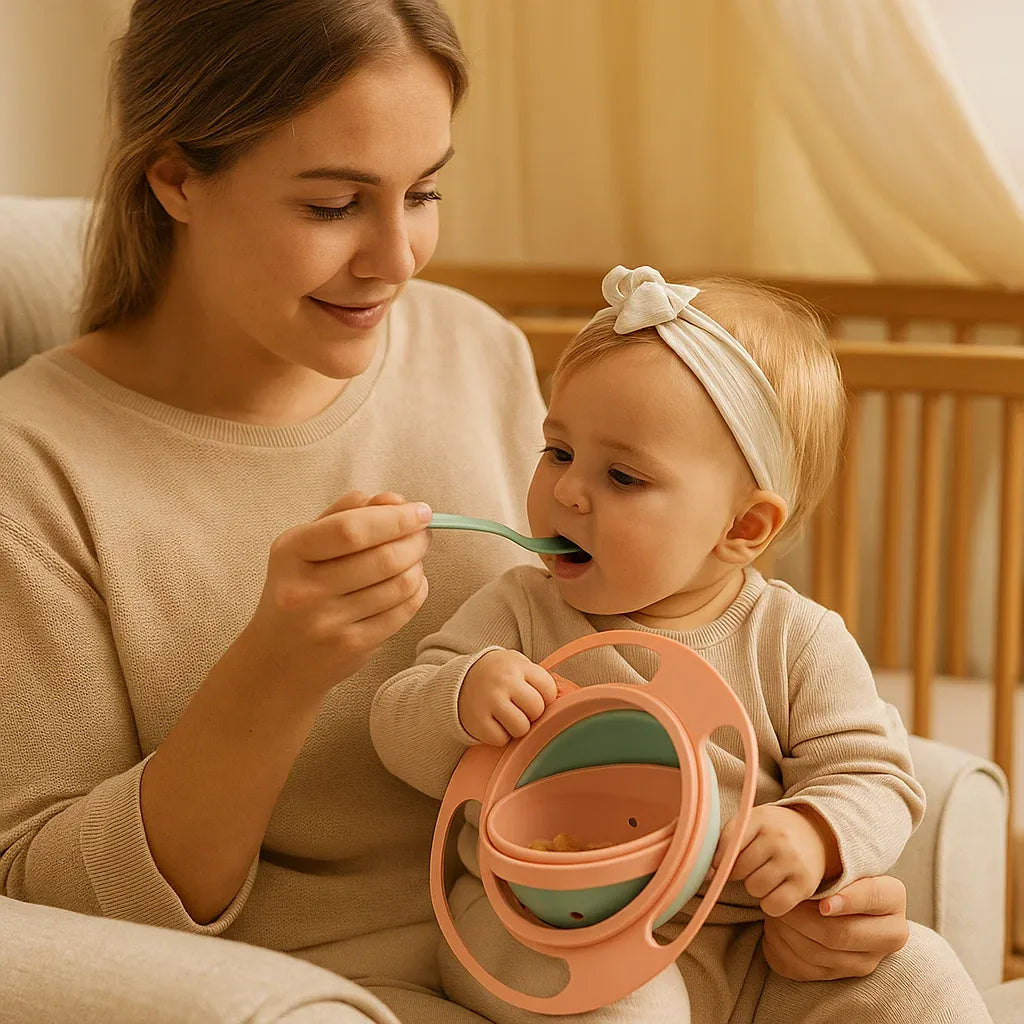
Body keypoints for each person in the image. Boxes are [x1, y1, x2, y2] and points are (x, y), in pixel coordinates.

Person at [0, 1, 933, 1021]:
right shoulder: (35, 464)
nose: (399, 260)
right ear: (176, 175)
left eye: (425, 191)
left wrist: (825, 868)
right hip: (372, 985)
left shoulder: (475, 349)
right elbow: (46, 904)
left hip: (670, 917)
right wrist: (276, 665)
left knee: (917, 977)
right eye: (331, 205)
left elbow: (672, 636)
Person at [371, 267, 995, 1023]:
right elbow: (395, 725)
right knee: (634, 1010)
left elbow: (876, 776)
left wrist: (816, 832)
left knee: (920, 971)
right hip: (550, 935)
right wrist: (461, 695)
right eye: (558, 452)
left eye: (623, 476)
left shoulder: (796, 641)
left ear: (742, 529)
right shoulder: (518, 612)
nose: (567, 492)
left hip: (750, 946)